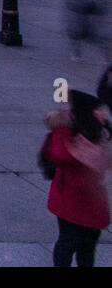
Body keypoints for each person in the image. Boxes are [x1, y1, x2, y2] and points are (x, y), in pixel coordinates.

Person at [43, 90, 110, 267]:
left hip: (91, 200)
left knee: (86, 246)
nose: (103, 113)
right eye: (98, 110)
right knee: (69, 243)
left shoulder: (99, 132)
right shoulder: (72, 133)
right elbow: (61, 157)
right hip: (72, 201)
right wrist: (60, 129)